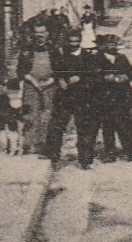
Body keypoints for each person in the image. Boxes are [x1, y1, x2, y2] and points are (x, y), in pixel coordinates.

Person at [43, 39, 100, 169]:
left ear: (80, 41)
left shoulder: (89, 57)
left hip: (83, 97)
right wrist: (60, 80)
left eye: (76, 42)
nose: (73, 44)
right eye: (71, 42)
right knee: (57, 126)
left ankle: (85, 160)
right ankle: (53, 157)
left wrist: (81, 79)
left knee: (85, 128)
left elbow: (95, 76)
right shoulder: (61, 56)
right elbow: (56, 71)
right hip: (64, 97)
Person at [16, 22, 65, 159]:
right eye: (37, 33)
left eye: (42, 32)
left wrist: (49, 81)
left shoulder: (53, 49)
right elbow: (20, 70)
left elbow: (59, 69)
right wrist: (33, 81)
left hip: (50, 85)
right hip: (31, 85)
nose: (39, 36)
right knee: (30, 115)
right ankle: (29, 145)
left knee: (47, 115)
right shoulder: (27, 50)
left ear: (47, 33)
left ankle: (43, 144)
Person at [94, 34, 132, 162]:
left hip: (123, 98)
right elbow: (93, 76)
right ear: (103, 46)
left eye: (114, 44)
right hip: (106, 98)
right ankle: (110, 153)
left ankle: (131, 151)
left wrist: (125, 77)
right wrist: (104, 78)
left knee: (128, 125)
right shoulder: (97, 59)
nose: (112, 47)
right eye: (109, 44)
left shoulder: (122, 58)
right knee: (108, 126)